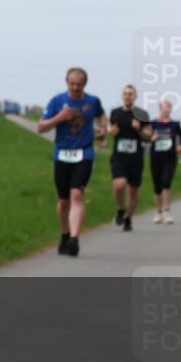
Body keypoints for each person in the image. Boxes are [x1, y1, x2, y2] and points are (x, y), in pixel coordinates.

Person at [37, 68, 106, 257]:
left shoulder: (92, 101)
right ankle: (65, 234)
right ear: (67, 82)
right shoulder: (57, 101)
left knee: (76, 194)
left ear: (85, 84)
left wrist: (102, 129)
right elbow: (41, 127)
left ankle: (74, 239)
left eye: (79, 84)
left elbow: (101, 114)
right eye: (72, 84)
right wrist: (60, 117)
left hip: (84, 153)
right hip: (62, 154)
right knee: (63, 201)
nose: (75, 87)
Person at [107, 85, 151, 232]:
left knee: (133, 191)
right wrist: (110, 131)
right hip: (119, 156)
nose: (127, 96)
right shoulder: (115, 113)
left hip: (136, 158)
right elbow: (109, 127)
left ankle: (128, 218)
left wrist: (139, 129)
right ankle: (121, 208)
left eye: (130, 94)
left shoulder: (142, 114)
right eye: (125, 94)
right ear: (122, 96)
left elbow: (148, 137)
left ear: (135, 96)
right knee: (119, 185)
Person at [148, 100, 181, 224]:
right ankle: (158, 212)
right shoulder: (153, 123)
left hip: (170, 158)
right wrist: (151, 138)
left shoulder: (174, 124)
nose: (166, 109)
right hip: (155, 157)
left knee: (166, 181)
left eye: (168, 107)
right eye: (164, 107)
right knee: (157, 186)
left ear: (170, 109)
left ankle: (167, 211)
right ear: (160, 109)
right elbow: (146, 136)